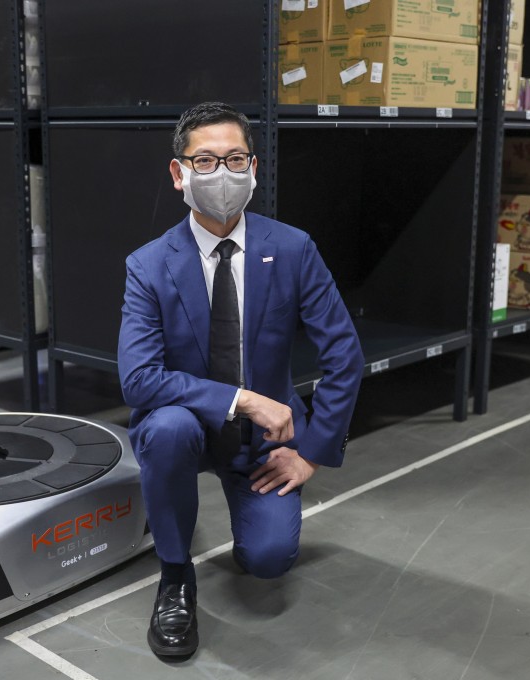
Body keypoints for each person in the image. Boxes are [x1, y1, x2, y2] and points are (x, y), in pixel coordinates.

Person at [117, 101, 364, 658]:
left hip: (265, 444)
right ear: (178, 174)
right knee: (170, 428)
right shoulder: (148, 265)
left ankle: (251, 512)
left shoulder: (293, 249)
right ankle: (175, 578)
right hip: (188, 426)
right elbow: (138, 379)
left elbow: (345, 354)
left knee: (269, 561)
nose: (221, 174)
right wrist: (244, 399)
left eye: (234, 159)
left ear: (254, 169)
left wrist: (313, 454)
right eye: (204, 161)